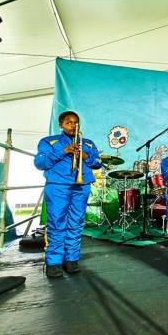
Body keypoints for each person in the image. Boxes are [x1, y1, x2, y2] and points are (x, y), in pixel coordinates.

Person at [34, 111, 102, 278]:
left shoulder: (88, 144)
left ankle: (71, 259)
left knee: (76, 223)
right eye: (69, 123)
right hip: (58, 186)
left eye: (76, 123)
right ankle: (54, 262)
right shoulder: (49, 142)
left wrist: (83, 155)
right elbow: (40, 163)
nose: (73, 126)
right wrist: (64, 150)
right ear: (61, 125)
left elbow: (98, 163)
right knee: (57, 223)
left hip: (81, 186)